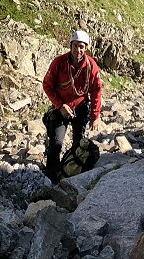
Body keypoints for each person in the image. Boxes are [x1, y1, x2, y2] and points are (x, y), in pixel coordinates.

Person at [42, 29, 102, 182]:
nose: (78, 50)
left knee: (78, 144)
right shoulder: (59, 62)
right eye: (75, 46)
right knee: (56, 143)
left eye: (81, 46)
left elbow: (96, 90)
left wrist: (95, 116)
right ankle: (51, 175)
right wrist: (59, 105)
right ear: (71, 46)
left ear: (86, 48)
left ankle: (73, 175)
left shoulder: (91, 66)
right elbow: (47, 85)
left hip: (80, 108)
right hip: (61, 108)